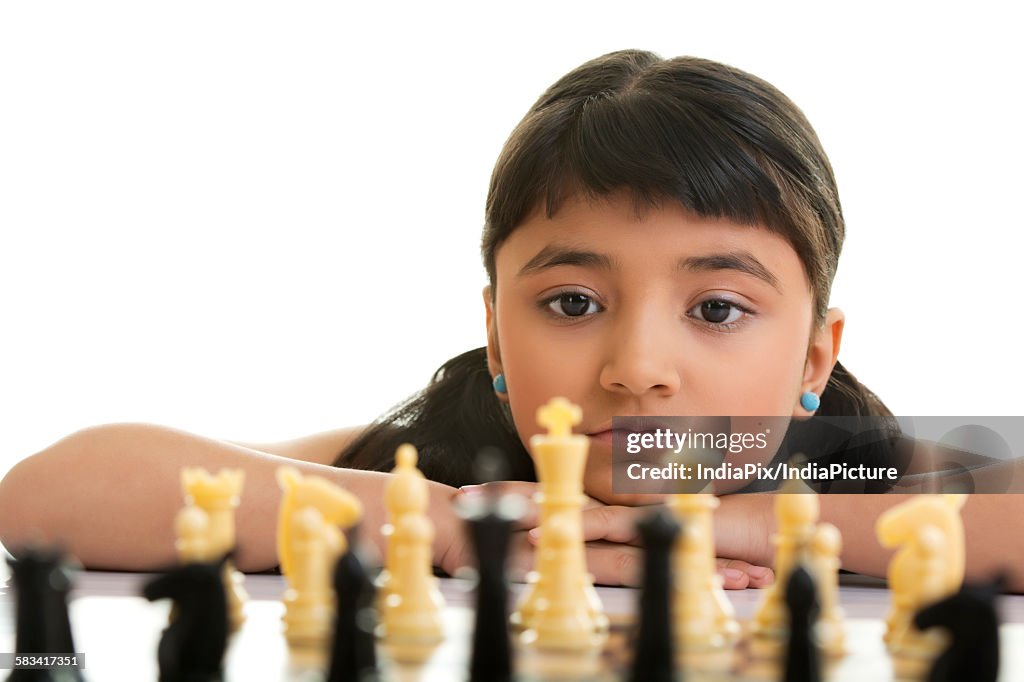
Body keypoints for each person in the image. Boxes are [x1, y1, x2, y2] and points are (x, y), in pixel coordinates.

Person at [0, 50, 1020, 592]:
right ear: (495, 336)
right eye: (572, 302)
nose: (637, 368)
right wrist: (440, 524)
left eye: (716, 308)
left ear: (814, 356)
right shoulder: (445, 459)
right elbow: (48, 493)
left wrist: (757, 523)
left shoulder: (861, 465)